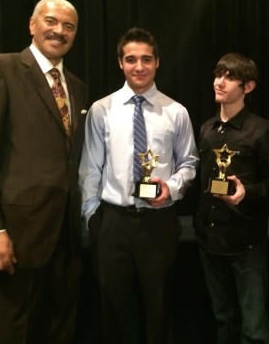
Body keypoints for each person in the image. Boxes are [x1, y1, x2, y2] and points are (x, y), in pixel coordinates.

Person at [79, 27, 198, 344]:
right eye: (131, 59)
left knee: (158, 308)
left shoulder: (176, 112)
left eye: (146, 59)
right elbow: (90, 167)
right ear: (121, 63)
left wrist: (171, 189)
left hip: (159, 222)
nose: (139, 66)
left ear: (157, 62)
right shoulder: (101, 110)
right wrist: (93, 217)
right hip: (113, 222)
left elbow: (189, 162)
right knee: (112, 310)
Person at [0, 0, 88, 343]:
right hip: (16, 234)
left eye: (68, 26)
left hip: (65, 235)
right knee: (11, 330)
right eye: (51, 22)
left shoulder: (77, 86)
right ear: (32, 25)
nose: (59, 31)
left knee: (58, 326)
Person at [194, 52, 269, 344]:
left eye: (230, 77)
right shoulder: (206, 130)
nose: (220, 82)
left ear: (249, 87)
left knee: (254, 326)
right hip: (209, 238)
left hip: (246, 240)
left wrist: (248, 192)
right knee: (222, 319)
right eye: (219, 75)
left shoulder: (261, 130)